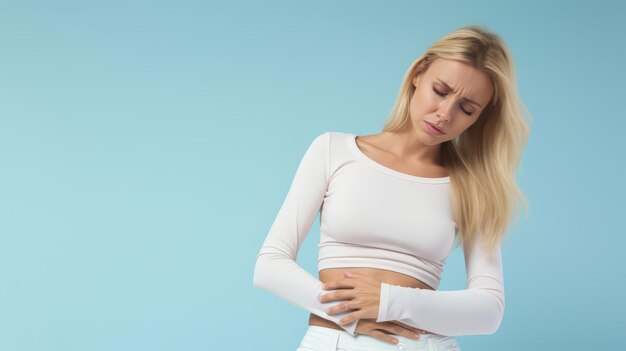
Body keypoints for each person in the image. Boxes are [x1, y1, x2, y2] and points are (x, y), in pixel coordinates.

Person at [253, 24, 530, 351]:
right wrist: (351, 315)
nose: (445, 114)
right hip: (332, 340)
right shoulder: (333, 151)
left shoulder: (472, 187)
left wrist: (387, 300)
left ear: (479, 118)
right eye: (440, 91)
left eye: (467, 108)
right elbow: (269, 265)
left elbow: (488, 310)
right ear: (418, 74)